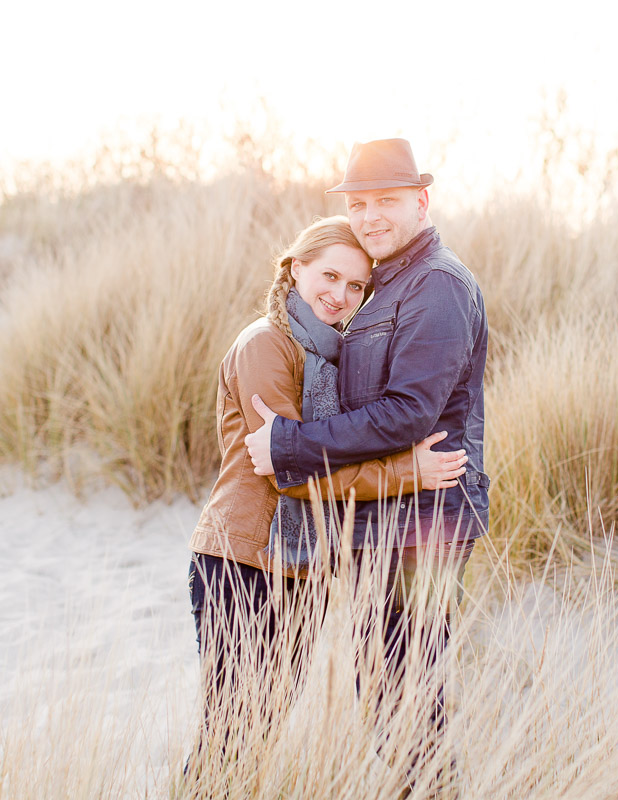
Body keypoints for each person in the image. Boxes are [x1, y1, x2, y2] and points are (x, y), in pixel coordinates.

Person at [245, 139, 489, 791]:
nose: (371, 216)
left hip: (423, 526)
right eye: (359, 204)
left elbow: (410, 412)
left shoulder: (436, 285)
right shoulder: (385, 281)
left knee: (408, 707)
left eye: (387, 201)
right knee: (388, 699)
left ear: (421, 201)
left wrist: (293, 446)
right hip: (382, 519)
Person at [185, 216, 468, 764]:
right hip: (246, 562)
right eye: (330, 276)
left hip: (304, 569)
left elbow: (321, 452)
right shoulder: (266, 346)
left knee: (257, 736)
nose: (340, 295)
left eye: (356, 285)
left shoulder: (333, 358)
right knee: (230, 740)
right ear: (295, 269)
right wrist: (406, 472)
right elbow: (289, 472)